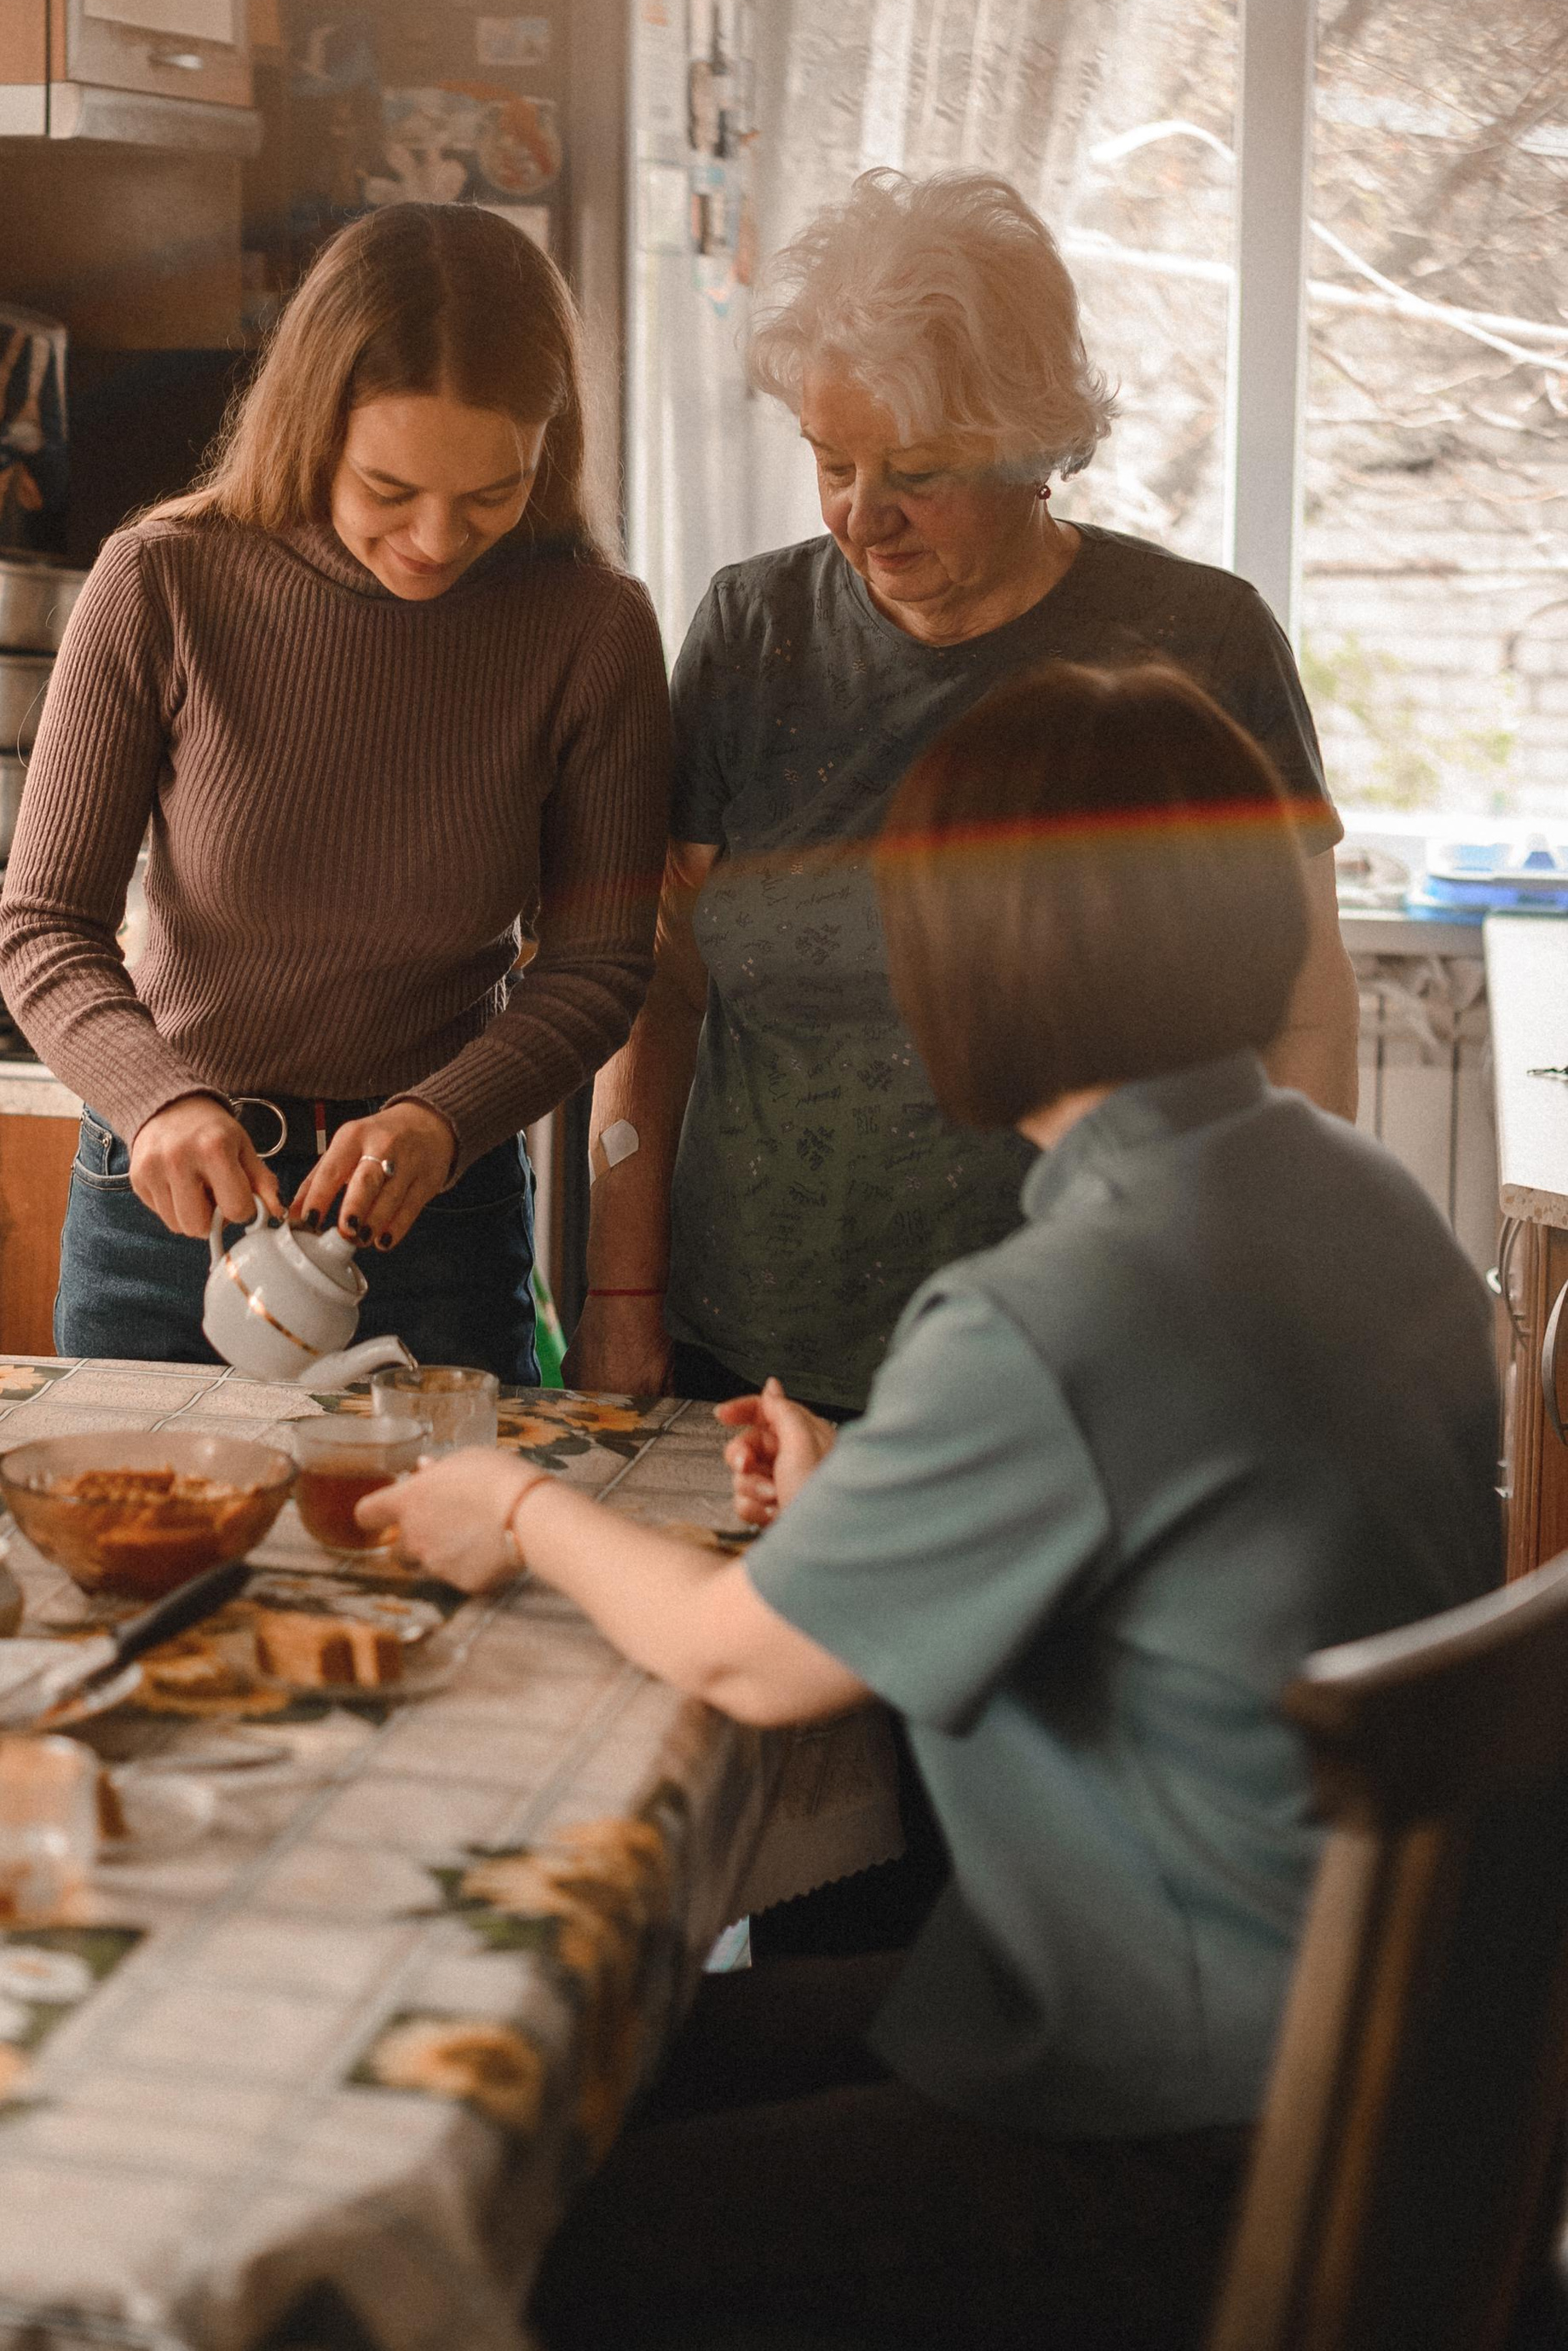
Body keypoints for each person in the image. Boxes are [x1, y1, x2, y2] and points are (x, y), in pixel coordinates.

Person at [367, 663, 1500, 2351]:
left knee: (494, 2230)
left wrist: (509, 1508)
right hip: (1388, 2051)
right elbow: (1159, 1532)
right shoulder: (1353, 1194)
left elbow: (736, 1660)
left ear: (980, 963)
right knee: (562, 2067)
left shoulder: (1060, 1307)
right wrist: (859, 1496)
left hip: (1194, 2122)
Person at [569, 168, 1358, 1425]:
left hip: (1090, 1365)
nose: (861, 516)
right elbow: (662, 987)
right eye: (832, 462)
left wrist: (1261, 1316)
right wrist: (620, 1293)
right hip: (751, 1368)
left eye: (919, 472)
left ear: (1035, 447)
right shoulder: (749, 631)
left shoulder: (1197, 646)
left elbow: (1305, 1016)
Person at [0, 203, 669, 1383]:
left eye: (491, 493)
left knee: (442, 1564)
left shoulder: (592, 627)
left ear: (547, 452)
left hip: (433, 1215)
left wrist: (443, 1119)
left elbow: (600, 964)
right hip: (168, 1208)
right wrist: (157, 1101)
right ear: (312, 423)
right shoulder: (163, 579)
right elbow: (45, 926)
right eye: (389, 485)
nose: (434, 538)